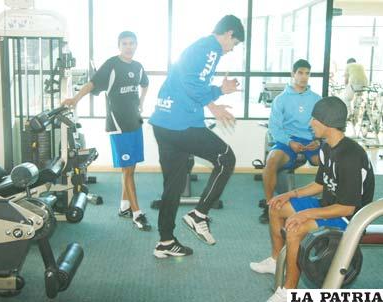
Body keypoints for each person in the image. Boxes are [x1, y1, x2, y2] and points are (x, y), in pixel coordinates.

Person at [250, 96, 375, 302]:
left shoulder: (350, 155)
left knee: (295, 228)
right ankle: (274, 261)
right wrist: (289, 194)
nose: (310, 123)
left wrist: (304, 214)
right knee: (276, 207)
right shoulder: (326, 147)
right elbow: (319, 185)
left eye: (314, 119)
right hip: (328, 205)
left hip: (348, 219)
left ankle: (289, 293)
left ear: (327, 123)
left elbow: (347, 208)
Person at [149, 15, 245, 258]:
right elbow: (192, 84)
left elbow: (186, 82)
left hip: (163, 122)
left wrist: (217, 93)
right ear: (229, 34)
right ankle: (198, 214)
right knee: (226, 159)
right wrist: (216, 101)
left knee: (173, 185)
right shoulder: (211, 48)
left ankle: (165, 241)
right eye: (234, 44)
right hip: (181, 124)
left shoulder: (198, 47)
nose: (231, 50)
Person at [62, 31, 151, 231]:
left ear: (136, 45)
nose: (129, 47)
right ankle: (137, 213)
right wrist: (75, 100)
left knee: (130, 168)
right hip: (118, 125)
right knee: (128, 171)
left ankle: (124, 206)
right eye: (125, 43)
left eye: (132, 43)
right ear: (119, 46)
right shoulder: (112, 65)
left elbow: (146, 84)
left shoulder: (138, 67)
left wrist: (141, 104)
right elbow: (92, 84)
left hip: (135, 123)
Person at [260, 59, 322, 223]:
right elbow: (275, 128)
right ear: (293, 74)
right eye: (300, 73)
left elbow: (323, 124)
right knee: (271, 161)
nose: (304, 77)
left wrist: (317, 140)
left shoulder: (316, 99)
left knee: (327, 161)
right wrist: (289, 142)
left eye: (307, 73)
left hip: (310, 139)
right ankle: (269, 205)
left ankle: (328, 203)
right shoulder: (281, 99)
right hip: (288, 140)